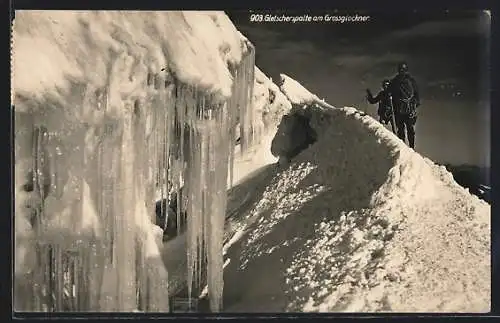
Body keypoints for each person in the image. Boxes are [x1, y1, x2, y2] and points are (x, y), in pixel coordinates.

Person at [388, 62, 420, 149]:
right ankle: (407, 148)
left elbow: (416, 95)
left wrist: (415, 104)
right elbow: (416, 95)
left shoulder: (399, 81)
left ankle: (407, 148)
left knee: (406, 130)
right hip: (404, 109)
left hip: (404, 109)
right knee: (405, 130)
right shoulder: (398, 81)